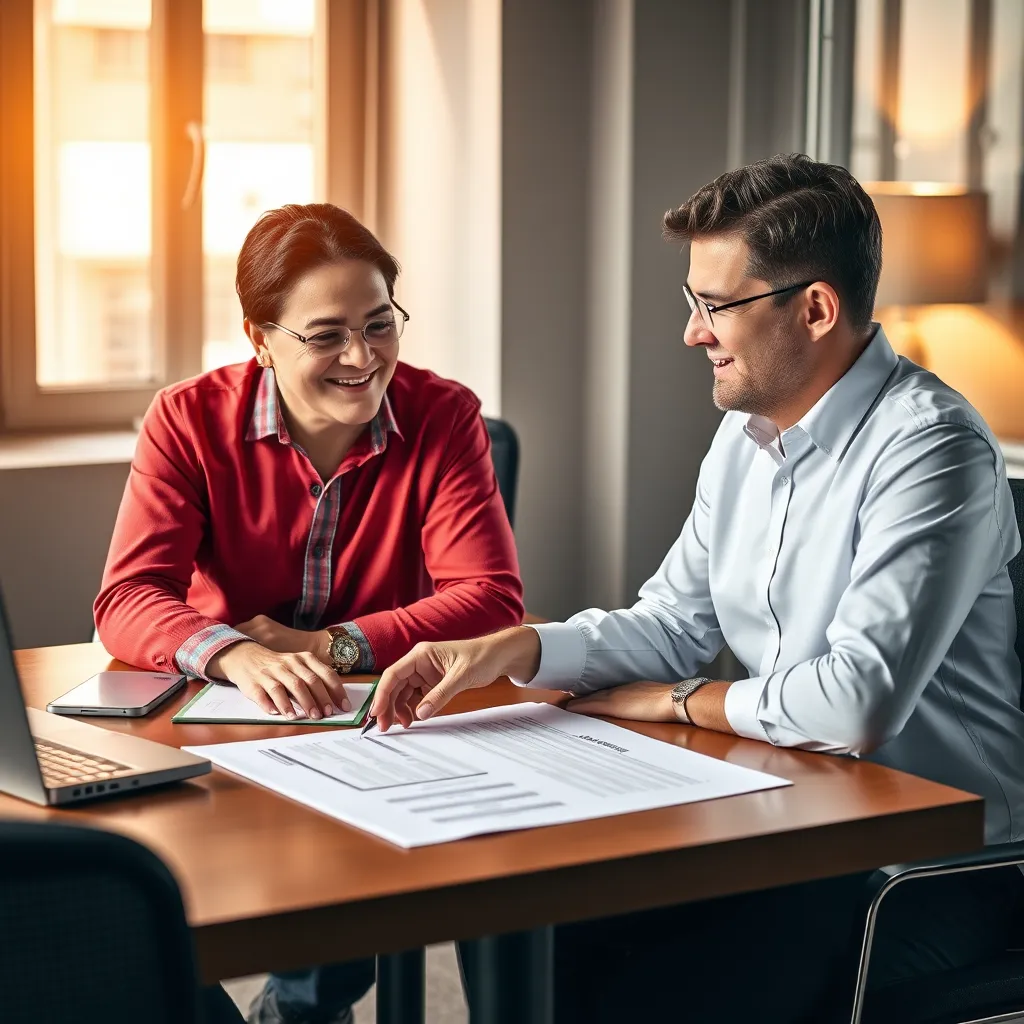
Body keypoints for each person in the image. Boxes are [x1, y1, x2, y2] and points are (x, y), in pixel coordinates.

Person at [369, 154, 1024, 1022]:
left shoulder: (931, 449)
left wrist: (680, 702)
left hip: (926, 868)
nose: (693, 333)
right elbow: (674, 620)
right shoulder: (746, 435)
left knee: (664, 989)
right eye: (694, 304)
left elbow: (854, 705)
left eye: (715, 306)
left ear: (817, 309)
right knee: (544, 917)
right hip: (790, 822)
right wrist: (518, 648)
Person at [95, 203, 524, 1024]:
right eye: (325, 335)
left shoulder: (445, 416)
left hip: (377, 721)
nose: (362, 358)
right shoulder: (188, 418)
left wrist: (326, 646)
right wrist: (236, 654)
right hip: (221, 718)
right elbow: (127, 596)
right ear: (261, 339)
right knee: (141, 905)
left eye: (379, 323)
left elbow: (491, 599)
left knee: (343, 893)